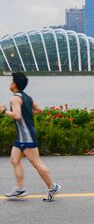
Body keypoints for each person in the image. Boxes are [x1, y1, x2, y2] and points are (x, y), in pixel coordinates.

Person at [0, 72, 61, 202]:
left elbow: (16, 116)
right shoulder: (28, 97)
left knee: (36, 163)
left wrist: (4, 111)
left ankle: (52, 186)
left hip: (26, 136)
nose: (10, 84)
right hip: (23, 136)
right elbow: (39, 110)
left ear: (15, 84)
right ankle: (20, 188)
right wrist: (25, 111)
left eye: (11, 81)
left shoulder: (15, 98)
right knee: (14, 160)